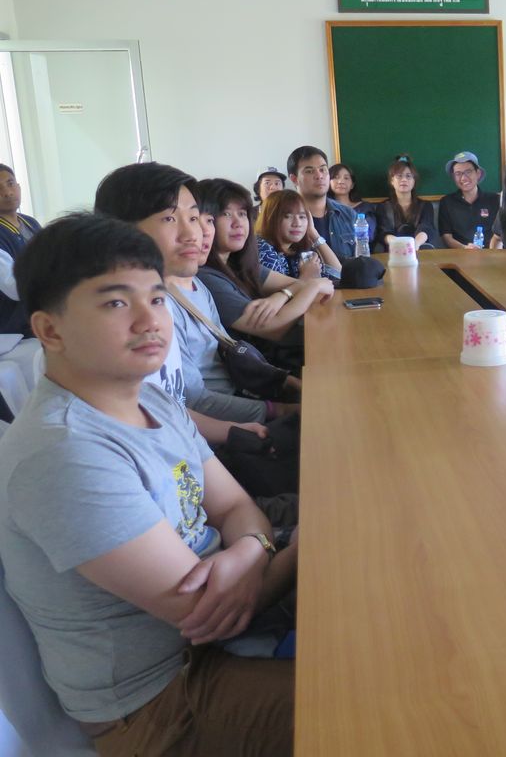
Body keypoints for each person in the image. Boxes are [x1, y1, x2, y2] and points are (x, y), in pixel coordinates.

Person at [1, 213, 297, 755]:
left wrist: (252, 546)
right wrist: (303, 543)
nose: (150, 320)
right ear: (50, 330)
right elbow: (208, 612)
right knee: (387, 704)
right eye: (117, 303)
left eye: (157, 298)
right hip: (162, 701)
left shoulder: (152, 398)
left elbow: (235, 506)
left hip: (227, 626)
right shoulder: (64, 452)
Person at [94, 162, 287, 429]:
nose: (193, 234)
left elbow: (228, 348)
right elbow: (190, 403)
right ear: (122, 231)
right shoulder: (146, 316)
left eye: (194, 218)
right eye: (169, 218)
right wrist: (275, 411)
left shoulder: (194, 284)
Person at [197, 178, 333, 359]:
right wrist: (314, 285)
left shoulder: (238, 264)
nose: (238, 223)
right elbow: (274, 328)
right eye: (226, 214)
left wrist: (282, 295)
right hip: (260, 367)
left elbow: (300, 285)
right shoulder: (207, 277)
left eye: (242, 214)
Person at [288, 145, 357, 259]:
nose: (319, 176)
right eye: (309, 171)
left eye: (323, 169)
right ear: (294, 179)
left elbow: (360, 259)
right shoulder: (283, 218)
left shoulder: (348, 214)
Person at [256, 189, 342, 280]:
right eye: (287, 216)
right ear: (270, 218)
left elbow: (337, 275)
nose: (297, 223)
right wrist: (305, 276)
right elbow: (277, 288)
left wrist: (313, 233)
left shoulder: (294, 250)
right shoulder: (262, 249)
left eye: (302, 217)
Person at [0, 163, 42, 334]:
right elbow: (15, 287)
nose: (7, 192)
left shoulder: (30, 223)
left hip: (40, 319)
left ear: (18, 186)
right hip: (14, 332)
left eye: (10, 184)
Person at [437, 150, 500, 249]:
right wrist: (465, 248)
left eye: (468, 172)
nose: (463, 178)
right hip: (460, 253)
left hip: (491, 253)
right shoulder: (446, 202)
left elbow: (500, 234)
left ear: (478, 173)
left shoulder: (495, 200)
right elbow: (446, 237)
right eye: (458, 174)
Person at [377, 154, 440, 249]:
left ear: (414, 181)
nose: (404, 180)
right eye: (399, 176)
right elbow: (384, 233)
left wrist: (414, 245)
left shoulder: (425, 205)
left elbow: (426, 228)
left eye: (408, 176)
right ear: (392, 181)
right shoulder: (383, 207)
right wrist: (399, 245)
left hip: (419, 249)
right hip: (393, 250)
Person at [327, 162, 378, 246]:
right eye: (336, 177)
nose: (341, 181)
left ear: (352, 185)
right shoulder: (324, 209)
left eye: (346, 178)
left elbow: (369, 236)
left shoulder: (365, 208)